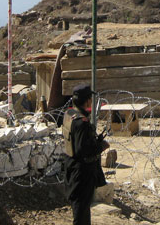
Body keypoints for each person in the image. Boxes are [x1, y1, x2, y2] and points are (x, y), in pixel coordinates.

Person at [62, 84, 109, 225]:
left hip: (71, 165)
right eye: (90, 98)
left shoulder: (70, 114)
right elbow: (83, 150)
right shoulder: (82, 123)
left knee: (81, 208)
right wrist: (101, 146)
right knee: (81, 209)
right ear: (87, 101)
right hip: (82, 172)